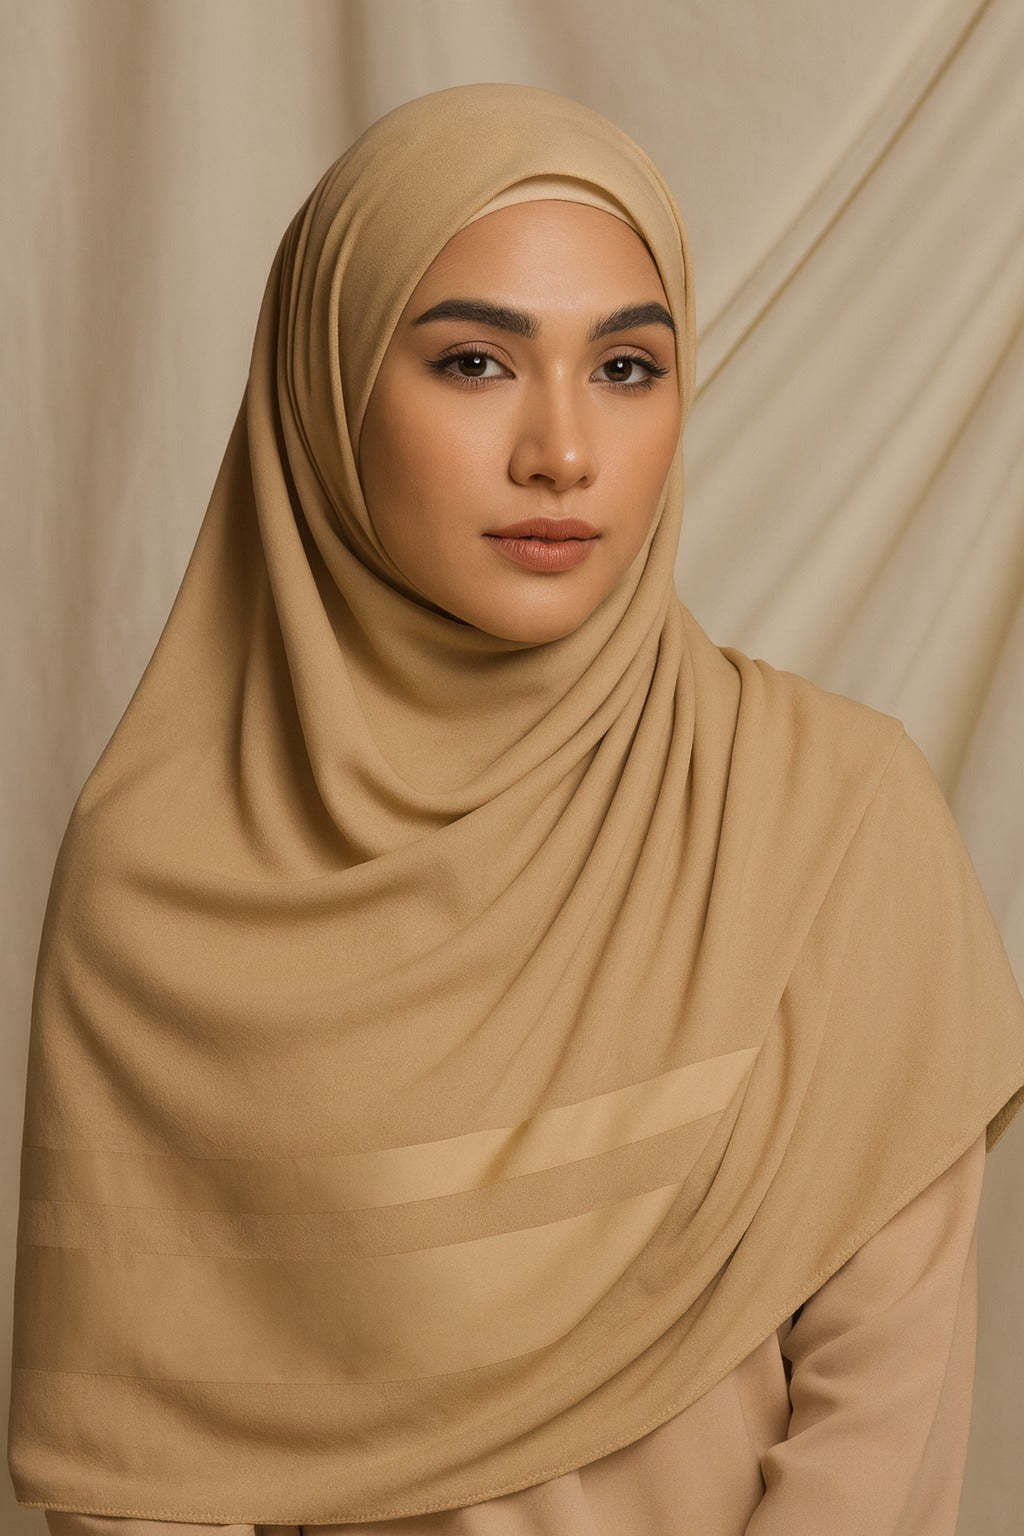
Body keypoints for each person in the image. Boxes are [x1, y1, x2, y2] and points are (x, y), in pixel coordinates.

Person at [9, 83, 1024, 1536]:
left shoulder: (835, 821)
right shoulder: (164, 887)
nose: (563, 451)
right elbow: (142, 1470)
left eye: (626, 367)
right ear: (328, 386)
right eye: (476, 361)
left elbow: (884, 1423)